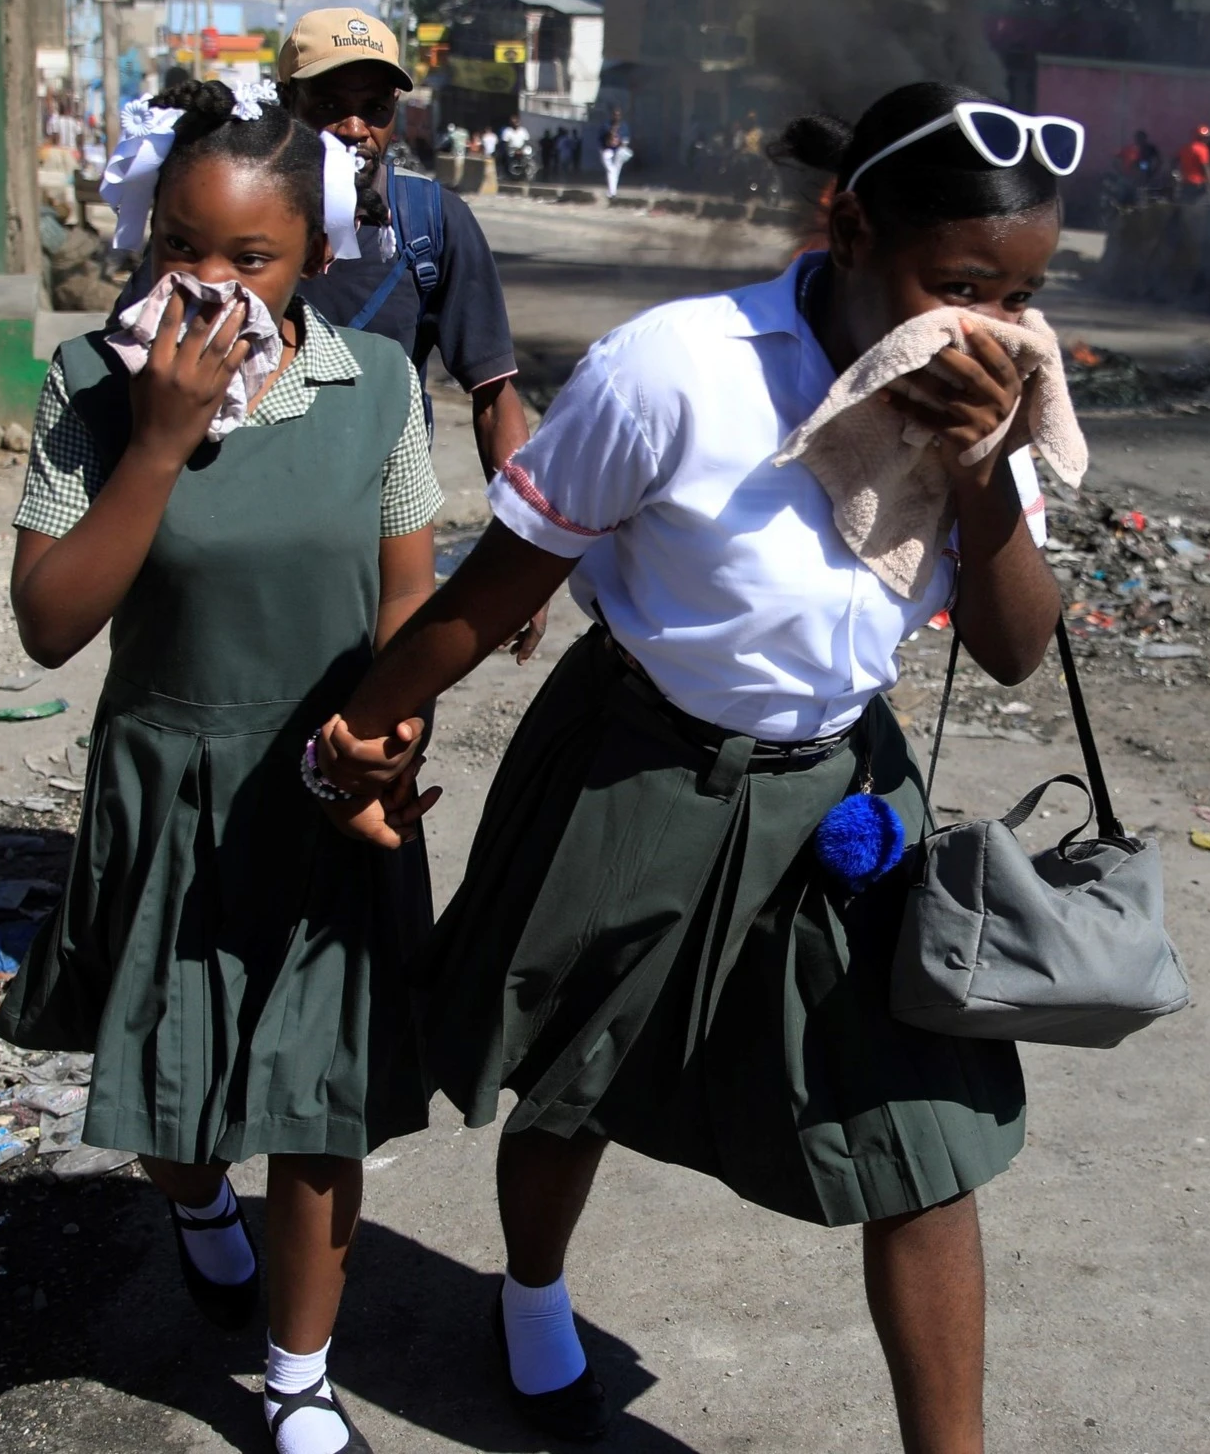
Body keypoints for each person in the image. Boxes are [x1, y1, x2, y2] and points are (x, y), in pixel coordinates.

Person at [315, 80, 1074, 1451]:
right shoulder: (678, 368)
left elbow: (1021, 646)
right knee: (572, 1070)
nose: (994, 327)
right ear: (844, 228)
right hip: (641, 765)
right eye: (958, 283)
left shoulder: (981, 410)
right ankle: (531, 1293)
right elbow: (502, 586)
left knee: (925, 1135)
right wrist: (368, 718)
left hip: (846, 792)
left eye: (1023, 294)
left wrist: (981, 469)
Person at [0, 75, 439, 1454]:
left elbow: (407, 600)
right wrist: (165, 437)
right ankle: (192, 1197)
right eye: (179, 249)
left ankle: (299, 1373)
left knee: (317, 1101)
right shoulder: (88, 388)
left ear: (312, 255)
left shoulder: (375, 388)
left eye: (250, 257)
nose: (208, 285)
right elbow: (54, 621)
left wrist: (390, 733)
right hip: (169, 781)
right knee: (178, 1081)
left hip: (322, 784)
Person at [284, 8, 551, 662]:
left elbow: (494, 398)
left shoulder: (434, 224)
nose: (355, 128)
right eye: (329, 104)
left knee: (377, 721)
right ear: (287, 103)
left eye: (374, 107)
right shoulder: (233, 214)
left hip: (382, 534)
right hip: (253, 521)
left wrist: (527, 560)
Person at [1174, 120, 1210, 203]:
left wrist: (1176, 174)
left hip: (1185, 184)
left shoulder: (1185, 148)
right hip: (1198, 185)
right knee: (1201, 209)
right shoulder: (1203, 149)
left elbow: (1174, 161)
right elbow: (1206, 167)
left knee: (1185, 207)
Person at [599, 105, 633, 198]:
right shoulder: (606, 125)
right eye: (615, 114)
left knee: (615, 171)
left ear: (621, 116)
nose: (616, 117)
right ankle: (612, 192)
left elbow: (626, 140)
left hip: (619, 150)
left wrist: (620, 142)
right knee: (611, 170)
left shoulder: (624, 126)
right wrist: (610, 134)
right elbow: (602, 140)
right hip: (607, 150)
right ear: (612, 115)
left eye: (618, 115)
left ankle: (612, 192)